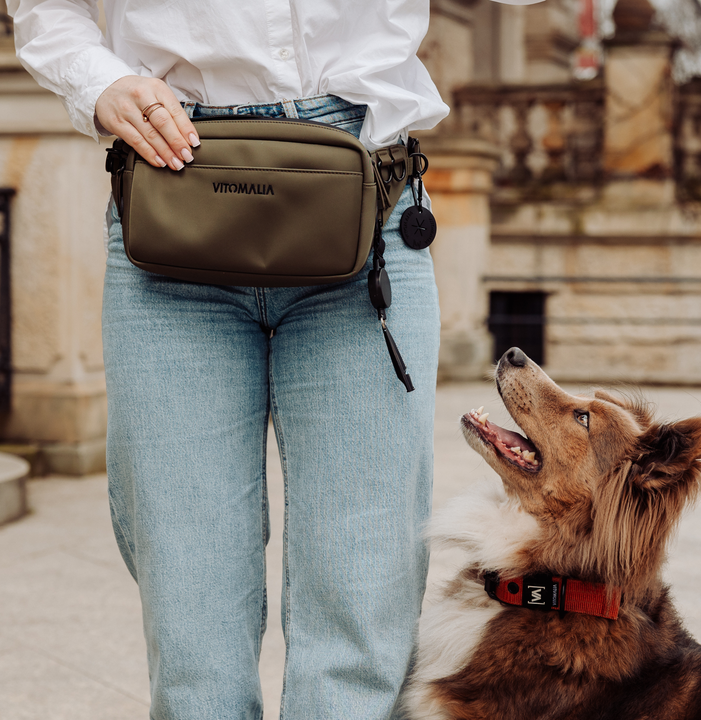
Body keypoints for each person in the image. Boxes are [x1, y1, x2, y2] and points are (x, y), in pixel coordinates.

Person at [8, 1, 540, 718]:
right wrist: (96, 80)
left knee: (363, 603)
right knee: (189, 618)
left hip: (363, 207)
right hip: (175, 184)